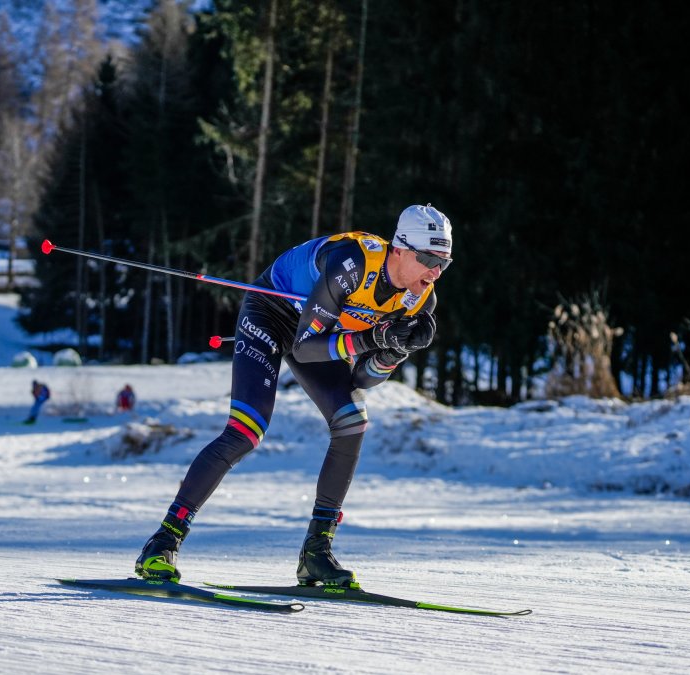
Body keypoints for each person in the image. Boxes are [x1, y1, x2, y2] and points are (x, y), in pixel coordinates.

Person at [135, 204, 452, 588]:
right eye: (429, 259)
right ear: (399, 250)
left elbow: (364, 379)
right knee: (245, 431)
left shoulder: (421, 301)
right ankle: (163, 541)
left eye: (444, 262)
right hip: (272, 312)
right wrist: (373, 337)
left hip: (320, 335)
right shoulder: (352, 263)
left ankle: (316, 553)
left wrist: (395, 351)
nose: (435, 272)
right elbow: (304, 348)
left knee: (353, 420)